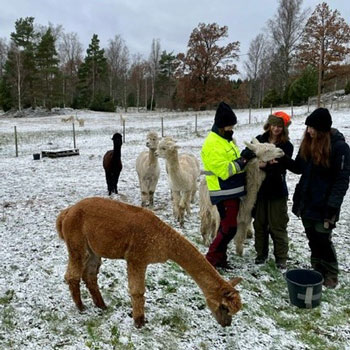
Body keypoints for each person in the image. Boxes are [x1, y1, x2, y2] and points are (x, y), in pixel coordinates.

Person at [282, 107, 350, 288]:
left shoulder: (339, 148)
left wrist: (333, 207)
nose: (309, 131)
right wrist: (281, 157)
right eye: (308, 127)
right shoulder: (308, 144)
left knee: (323, 238)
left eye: (312, 128)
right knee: (312, 237)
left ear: (322, 129)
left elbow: (342, 180)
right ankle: (317, 268)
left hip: (325, 204)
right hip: (307, 201)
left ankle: (331, 272)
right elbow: (298, 167)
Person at [201, 101, 255, 269]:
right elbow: (225, 170)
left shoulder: (226, 140)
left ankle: (220, 258)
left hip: (232, 190)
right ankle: (210, 258)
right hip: (223, 191)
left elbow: (233, 161)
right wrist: (244, 159)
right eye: (229, 126)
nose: (232, 129)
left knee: (228, 227)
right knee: (229, 227)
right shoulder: (212, 144)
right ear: (221, 126)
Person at [252, 111, 294, 270]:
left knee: (278, 225)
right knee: (260, 224)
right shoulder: (259, 140)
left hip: (277, 190)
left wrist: (266, 165)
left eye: (280, 126)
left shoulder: (286, 145)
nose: (276, 129)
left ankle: (281, 257)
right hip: (260, 190)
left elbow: (281, 167)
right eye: (274, 125)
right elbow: (250, 157)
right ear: (269, 125)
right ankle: (261, 254)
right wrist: (260, 163)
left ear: (284, 128)